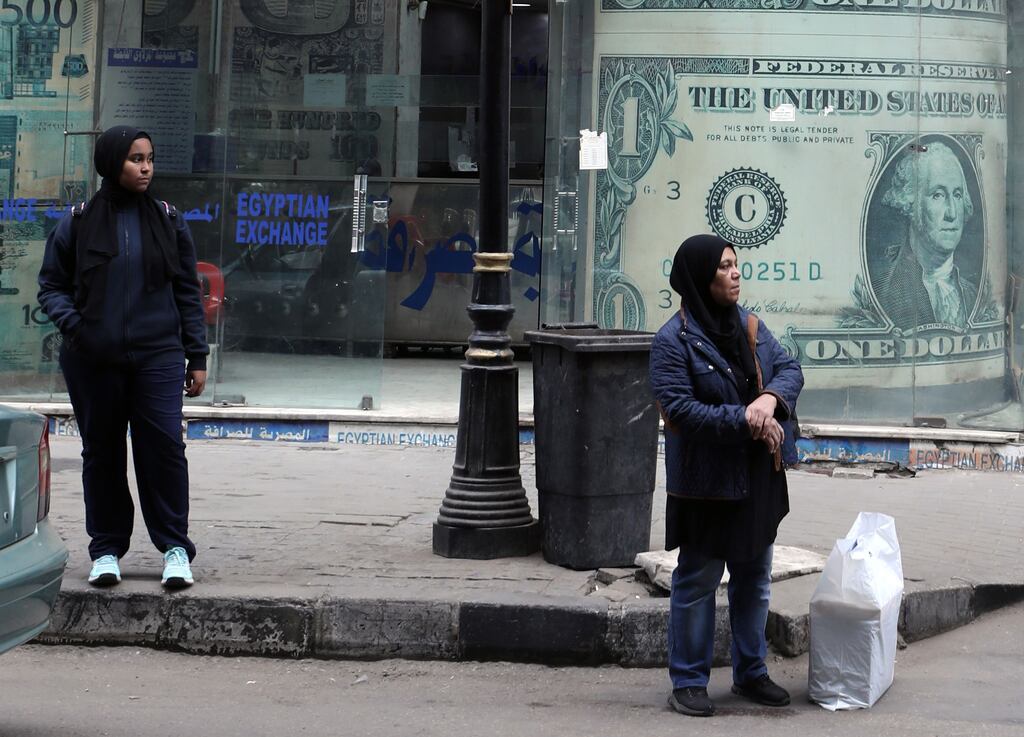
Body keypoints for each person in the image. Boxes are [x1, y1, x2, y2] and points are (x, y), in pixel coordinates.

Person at [38, 125, 208, 589]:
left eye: (150, 158)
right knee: (102, 453)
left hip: (158, 354)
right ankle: (107, 549)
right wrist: (78, 328)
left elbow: (187, 293)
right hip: (94, 358)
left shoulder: (169, 220)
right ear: (113, 163)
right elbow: (51, 285)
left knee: (165, 450)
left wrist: (197, 355)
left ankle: (175, 548)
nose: (146, 167)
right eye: (136, 159)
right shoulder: (78, 220)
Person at [648, 234, 803, 717]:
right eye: (724, 267)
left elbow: (791, 369)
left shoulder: (750, 327)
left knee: (755, 578)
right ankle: (689, 681)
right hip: (706, 483)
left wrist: (768, 400)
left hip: (756, 476)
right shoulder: (672, 342)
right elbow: (681, 411)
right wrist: (745, 420)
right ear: (699, 278)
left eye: (737, 265)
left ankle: (750, 673)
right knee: (697, 580)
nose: (735, 274)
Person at [874, 142, 978, 330]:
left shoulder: (974, 294)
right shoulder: (882, 292)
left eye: (957, 195)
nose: (952, 213)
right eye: (938, 195)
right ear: (910, 204)